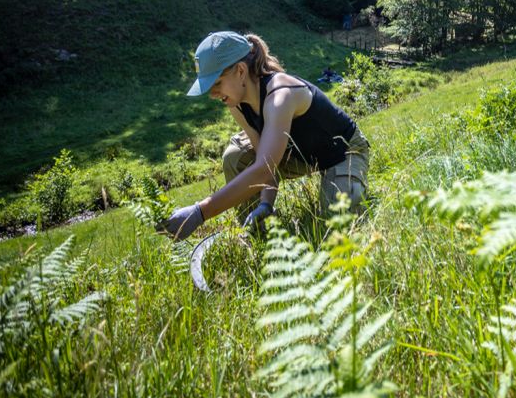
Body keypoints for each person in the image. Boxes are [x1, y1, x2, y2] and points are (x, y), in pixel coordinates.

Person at [156, 31, 370, 241]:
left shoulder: (280, 96)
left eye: (217, 83)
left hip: (343, 152)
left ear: (240, 71)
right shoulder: (236, 105)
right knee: (235, 157)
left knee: (338, 229)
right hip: (297, 156)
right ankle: (259, 233)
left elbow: (263, 169)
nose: (212, 94)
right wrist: (266, 204)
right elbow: (266, 165)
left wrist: (199, 212)